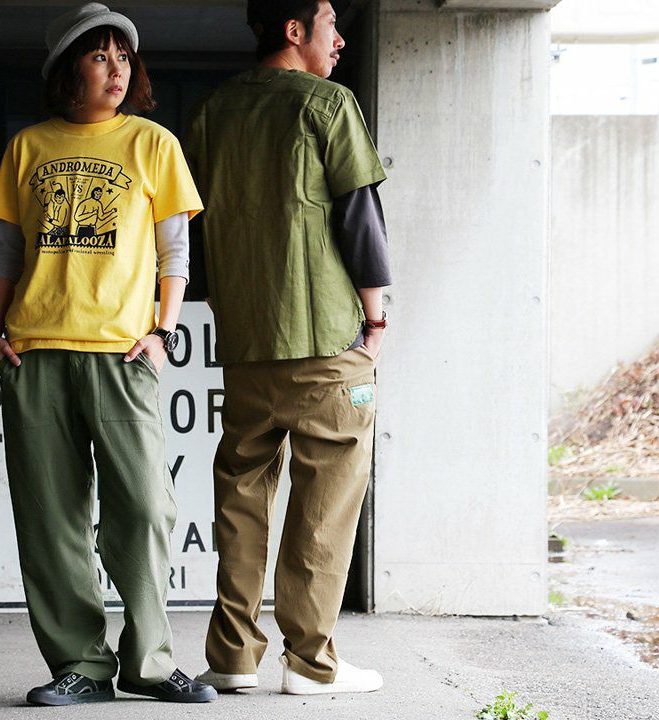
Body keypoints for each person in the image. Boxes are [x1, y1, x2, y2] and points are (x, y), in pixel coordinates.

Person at [0, 2, 216, 706]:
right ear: (67, 70)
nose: (116, 70)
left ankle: (150, 662)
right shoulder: (28, 146)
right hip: (35, 350)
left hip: (123, 353)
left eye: (123, 57)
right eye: (98, 56)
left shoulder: (152, 143)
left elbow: (176, 252)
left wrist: (163, 331)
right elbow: (7, 250)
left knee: (144, 507)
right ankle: (80, 666)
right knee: (50, 519)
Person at [185, 0, 392, 696]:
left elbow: (190, 229)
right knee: (324, 500)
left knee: (240, 495)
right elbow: (360, 219)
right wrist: (375, 319)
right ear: (295, 30)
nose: (341, 40)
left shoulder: (211, 113)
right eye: (332, 25)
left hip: (246, 343)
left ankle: (232, 657)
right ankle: (310, 661)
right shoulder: (328, 104)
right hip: (326, 338)